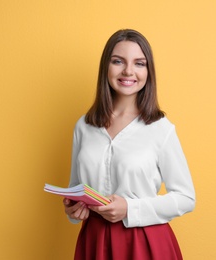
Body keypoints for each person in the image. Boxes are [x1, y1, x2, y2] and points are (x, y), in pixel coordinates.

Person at [63, 29, 195, 260]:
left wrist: (131, 209)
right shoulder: (84, 126)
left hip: (145, 243)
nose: (128, 71)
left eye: (139, 63)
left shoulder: (160, 129)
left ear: (148, 71)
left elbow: (186, 197)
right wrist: (73, 211)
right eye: (118, 61)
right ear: (106, 66)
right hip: (94, 241)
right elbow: (76, 189)